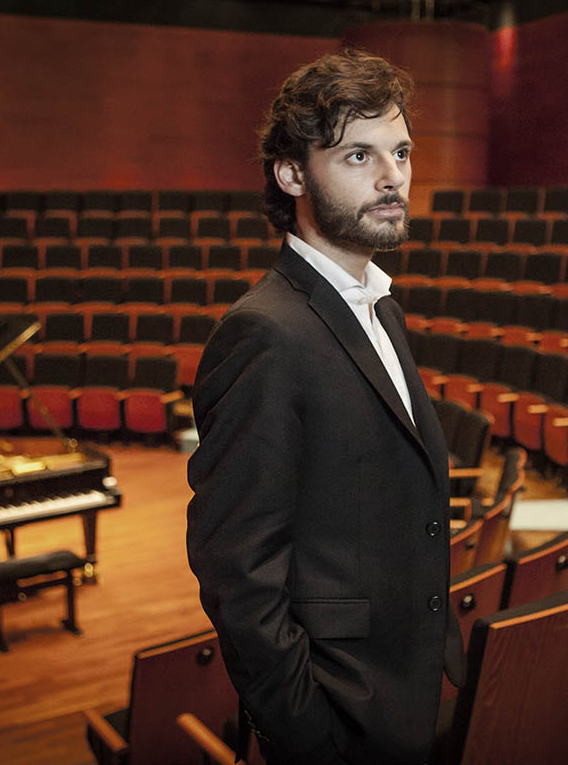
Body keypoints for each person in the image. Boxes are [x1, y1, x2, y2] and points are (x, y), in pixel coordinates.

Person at [186, 50, 463, 765]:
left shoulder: (381, 307)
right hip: (340, 714)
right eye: (358, 155)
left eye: (401, 152)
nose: (392, 175)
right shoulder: (264, 334)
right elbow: (238, 575)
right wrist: (306, 735)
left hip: (407, 688)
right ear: (291, 174)